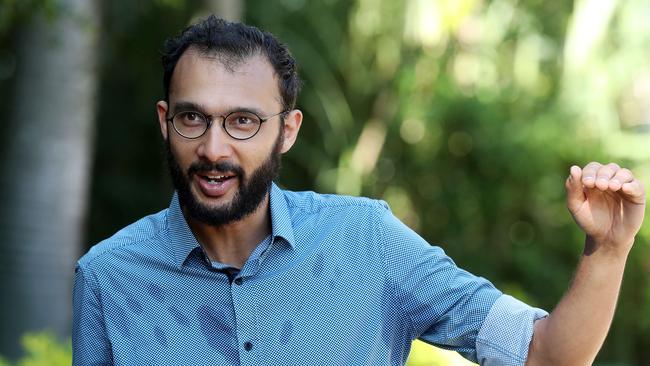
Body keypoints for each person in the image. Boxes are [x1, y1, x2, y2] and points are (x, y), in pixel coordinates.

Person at [72, 16, 646, 366]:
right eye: (193, 119)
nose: (214, 149)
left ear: (287, 131)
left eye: (243, 122)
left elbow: (546, 356)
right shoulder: (108, 275)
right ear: (165, 121)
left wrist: (610, 250)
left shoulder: (367, 240)